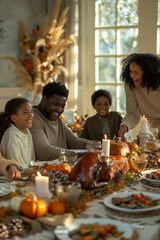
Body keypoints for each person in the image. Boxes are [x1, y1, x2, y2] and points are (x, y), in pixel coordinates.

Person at [30, 81, 89, 161]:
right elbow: (44, 152)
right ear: (44, 99)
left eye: (63, 106)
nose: (59, 110)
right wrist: (78, 153)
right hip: (44, 170)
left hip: (63, 167)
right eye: (56, 105)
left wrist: (96, 145)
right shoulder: (33, 118)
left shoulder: (57, 119)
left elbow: (73, 141)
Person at [118, 53, 160, 139]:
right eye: (130, 72)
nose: (131, 76)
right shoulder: (130, 84)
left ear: (147, 73)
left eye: (135, 73)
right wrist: (125, 125)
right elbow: (133, 113)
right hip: (154, 129)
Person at [0, 97, 35, 165]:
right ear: (13, 118)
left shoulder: (28, 132)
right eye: (26, 112)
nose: (31, 115)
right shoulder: (11, 134)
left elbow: (31, 158)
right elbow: (14, 163)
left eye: (31, 111)